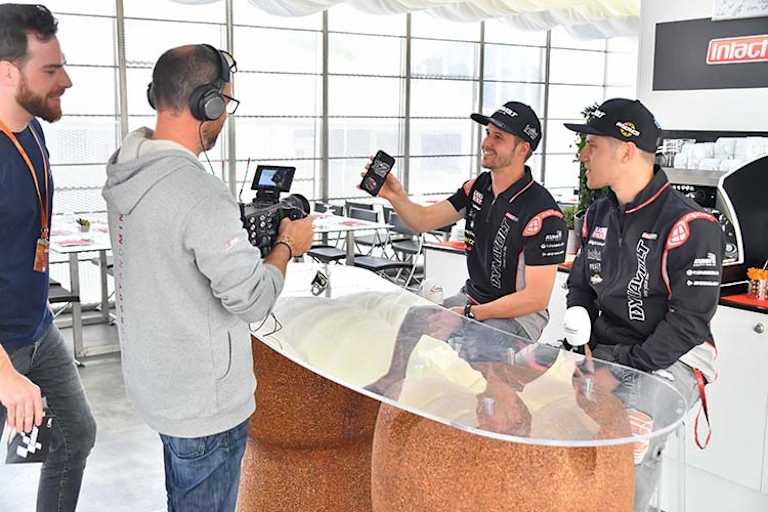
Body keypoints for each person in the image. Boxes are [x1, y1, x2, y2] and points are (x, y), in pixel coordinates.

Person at [101, 44, 314, 512]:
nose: (225, 116)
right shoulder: (198, 193)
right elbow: (253, 300)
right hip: (204, 404)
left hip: (158, 385)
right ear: (209, 104)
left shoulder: (125, 169)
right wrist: (287, 247)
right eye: (226, 104)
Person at [563, 97, 724, 511]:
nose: (583, 154)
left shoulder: (693, 226)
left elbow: (688, 323)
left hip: (673, 358)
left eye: (592, 145)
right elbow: (580, 286)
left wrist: (619, 362)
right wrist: (577, 332)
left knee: (631, 434)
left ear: (626, 151)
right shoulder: (595, 215)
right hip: (608, 352)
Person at [0, 4, 96, 511]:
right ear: (7, 72)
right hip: (1, 349)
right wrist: (6, 375)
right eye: (51, 70)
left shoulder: (32, 128)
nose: (67, 80)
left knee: (75, 435)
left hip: (36, 329)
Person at [372, 101, 567, 341]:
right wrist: (395, 196)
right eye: (487, 134)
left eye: (498, 137)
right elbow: (423, 220)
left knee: (472, 345)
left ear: (522, 149)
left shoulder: (543, 212)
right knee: (411, 321)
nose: (486, 143)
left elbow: (536, 298)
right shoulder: (477, 187)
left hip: (519, 317)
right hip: (472, 300)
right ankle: (395, 380)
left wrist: (467, 314)